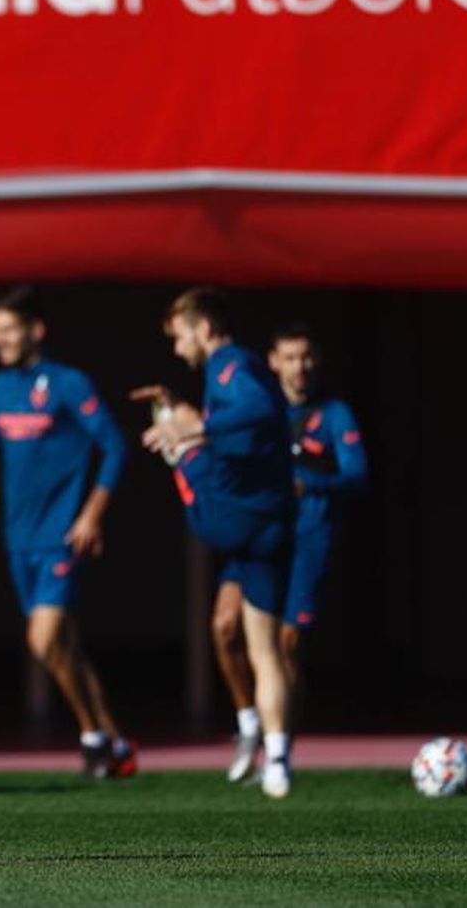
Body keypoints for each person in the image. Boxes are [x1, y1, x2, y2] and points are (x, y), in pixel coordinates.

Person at [0, 286, 135, 778]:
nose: (2, 340)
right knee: (65, 648)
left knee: (43, 640)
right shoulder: (1, 385)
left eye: (10, 330)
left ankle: (92, 737)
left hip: (60, 535)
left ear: (36, 329)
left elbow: (115, 446)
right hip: (19, 538)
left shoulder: (69, 383)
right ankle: (116, 744)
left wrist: (91, 514)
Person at [132, 288, 297, 799]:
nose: (178, 348)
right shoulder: (229, 371)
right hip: (270, 523)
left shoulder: (230, 365)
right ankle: (277, 759)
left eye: (180, 336)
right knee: (261, 649)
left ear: (204, 329)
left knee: (180, 450)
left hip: (235, 516)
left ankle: (178, 453)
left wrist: (189, 429)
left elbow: (260, 405)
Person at [213, 323, 368, 783]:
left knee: (287, 644)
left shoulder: (334, 414)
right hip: (260, 533)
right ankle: (249, 724)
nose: (299, 367)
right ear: (274, 362)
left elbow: (357, 477)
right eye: (290, 358)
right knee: (224, 627)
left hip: (307, 537)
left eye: (306, 357)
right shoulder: (261, 408)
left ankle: (280, 749)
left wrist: (310, 483)